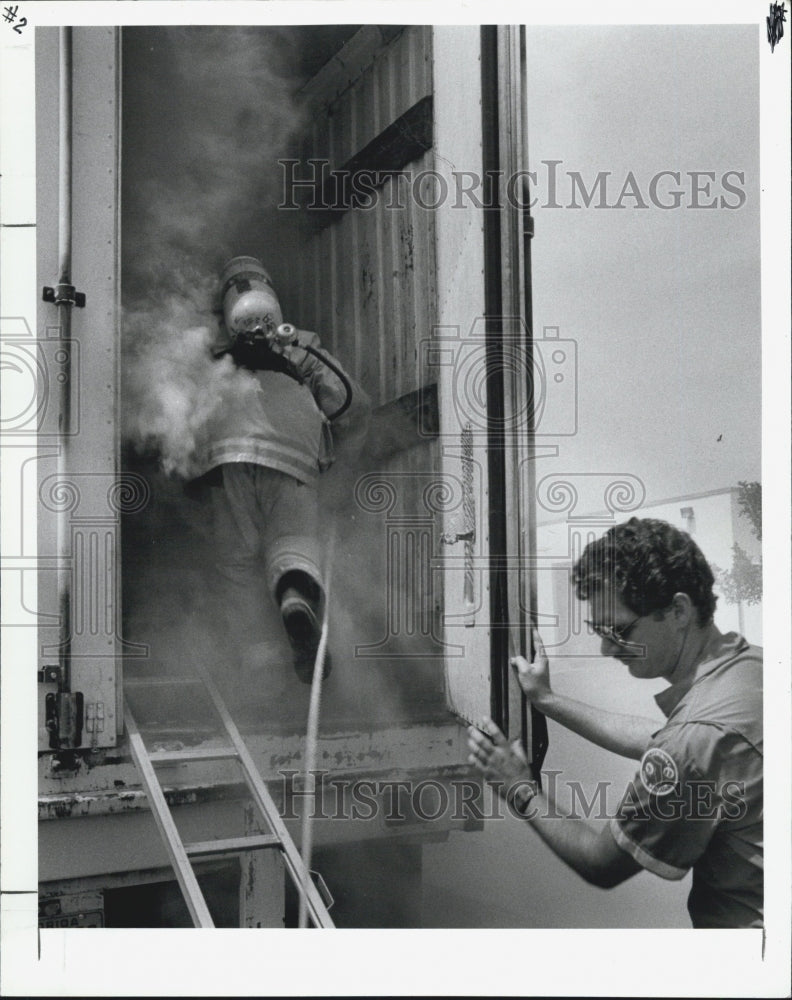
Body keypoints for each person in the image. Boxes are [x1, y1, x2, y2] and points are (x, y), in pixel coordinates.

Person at [467, 517, 763, 928]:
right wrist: (547, 700)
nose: (607, 649)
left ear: (678, 610)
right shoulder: (749, 665)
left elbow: (601, 863)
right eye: (598, 631)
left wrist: (518, 788)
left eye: (620, 631)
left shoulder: (693, 739)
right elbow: (658, 738)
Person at [190, 256, 369, 693]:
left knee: (237, 561)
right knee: (292, 546)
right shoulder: (299, 347)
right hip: (292, 456)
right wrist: (337, 457)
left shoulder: (208, 355)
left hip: (228, 458)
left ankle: (258, 667)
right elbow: (351, 404)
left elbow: (183, 419)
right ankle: (293, 596)